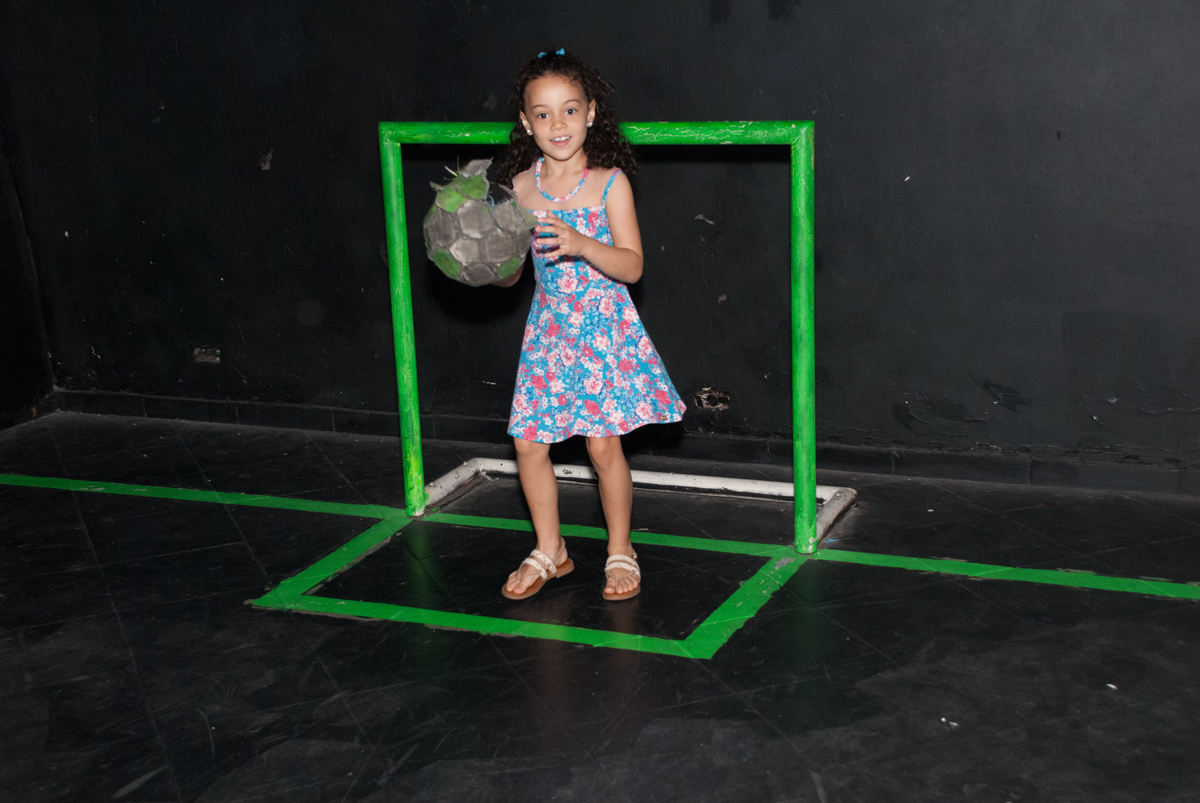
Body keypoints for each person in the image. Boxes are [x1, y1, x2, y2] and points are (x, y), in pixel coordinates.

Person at [490, 48, 687, 603]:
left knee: (604, 449)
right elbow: (511, 277)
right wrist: (482, 264)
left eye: (570, 110)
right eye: (544, 114)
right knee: (528, 445)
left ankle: (620, 549)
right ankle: (549, 549)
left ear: (592, 113)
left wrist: (581, 243)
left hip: (603, 334)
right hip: (549, 335)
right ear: (526, 124)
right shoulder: (520, 188)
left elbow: (633, 265)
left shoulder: (607, 184)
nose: (558, 124)